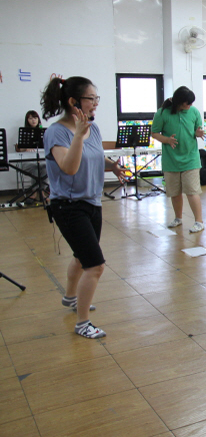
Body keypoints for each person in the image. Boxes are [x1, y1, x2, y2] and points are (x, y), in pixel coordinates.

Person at [41, 76, 127, 339]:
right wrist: (78, 134)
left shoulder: (94, 127)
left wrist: (112, 166)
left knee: (81, 257)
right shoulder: (57, 132)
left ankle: (70, 297)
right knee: (95, 265)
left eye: (96, 98)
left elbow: (95, 157)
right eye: (91, 99)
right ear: (73, 101)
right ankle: (82, 323)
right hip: (68, 206)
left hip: (92, 202)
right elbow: (69, 167)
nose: (95, 103)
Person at [151, 87, 205, 233]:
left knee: (192, 191)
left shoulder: (194, 112)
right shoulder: (162, 113)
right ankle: (178, 218)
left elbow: (197, 130)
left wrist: (198, 133)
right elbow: (154, 133)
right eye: (188, 103)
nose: (190, 106)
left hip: (191, 159)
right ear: (179, 102)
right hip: (171, 160)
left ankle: (199, 221)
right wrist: (167, 140)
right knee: (174, 192)